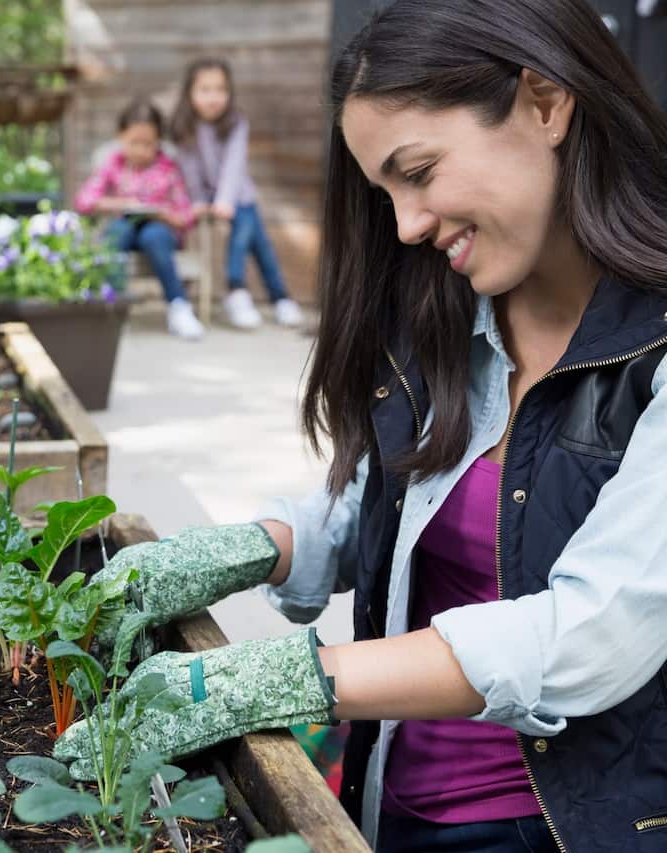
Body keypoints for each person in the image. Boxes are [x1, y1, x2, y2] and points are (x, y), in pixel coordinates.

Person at [56, 1, 667, 851]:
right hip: (386, 800)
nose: (407, 226)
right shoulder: (453, 317)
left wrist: (280, 675)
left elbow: (592, 632)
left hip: (560, 826)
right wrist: (252, 546)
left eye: (417, 171)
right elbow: (391, 511)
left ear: (545, 102)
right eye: (385, 192)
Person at [170, 58, 304, 330]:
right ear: (190, 93)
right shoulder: (183, 127)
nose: (214, 97)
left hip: (238, 196)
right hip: (206, 197)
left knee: (255, 241)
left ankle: (254, 293)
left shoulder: (236, 123)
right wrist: (197, 201)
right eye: (205, 89)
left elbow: (234, 165)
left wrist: (225, 200)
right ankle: (251, 295)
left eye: (220, 89)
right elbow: (189, 169)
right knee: (252, 237)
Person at [75, 97, 204, 340]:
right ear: (120, 137)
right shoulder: (113, 164)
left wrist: (162, 213)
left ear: (158, 142)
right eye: (134, 142)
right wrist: (122, 203)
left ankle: (179, 307)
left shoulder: (168, 168)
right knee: (118, 231)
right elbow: (84, 201)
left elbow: (185, 216)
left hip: (160, 232)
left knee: (153, 235)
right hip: (126, 227)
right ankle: (111, 304)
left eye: (149, 144)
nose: (142, 150)